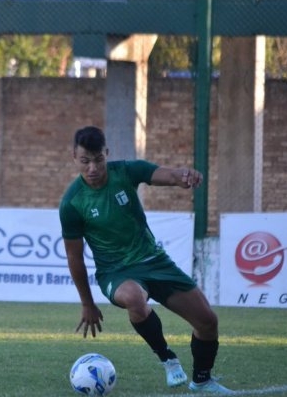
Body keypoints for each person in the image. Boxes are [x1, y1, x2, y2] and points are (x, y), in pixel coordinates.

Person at [58, 126, 232, 394]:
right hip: (115, 271)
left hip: (155, 261)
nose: (92, 168)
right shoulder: (72, 202)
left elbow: (164, 174)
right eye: (85, 161)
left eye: (98, 159)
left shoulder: (126, 171)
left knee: (207, 321)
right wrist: (87, 303)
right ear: (74, 157)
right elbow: (74, 256)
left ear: (107, 153)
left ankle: (202, 380)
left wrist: (182, 176)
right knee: (134, 298)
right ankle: (167, 358)